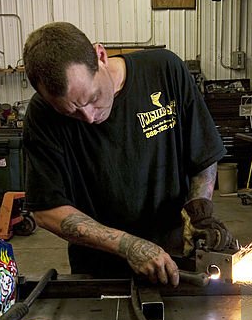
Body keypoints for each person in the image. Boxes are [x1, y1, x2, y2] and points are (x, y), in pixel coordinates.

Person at [21, 21, 237, 286]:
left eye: (91, 98)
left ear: (100, 56)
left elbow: (203, 154)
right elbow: (46, 210)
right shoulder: (42, 115)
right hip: (99, 272)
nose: (88, 117)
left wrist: (201, 212)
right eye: (71, 112)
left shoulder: (165, 71)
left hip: (179, 264)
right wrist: (128, 245)